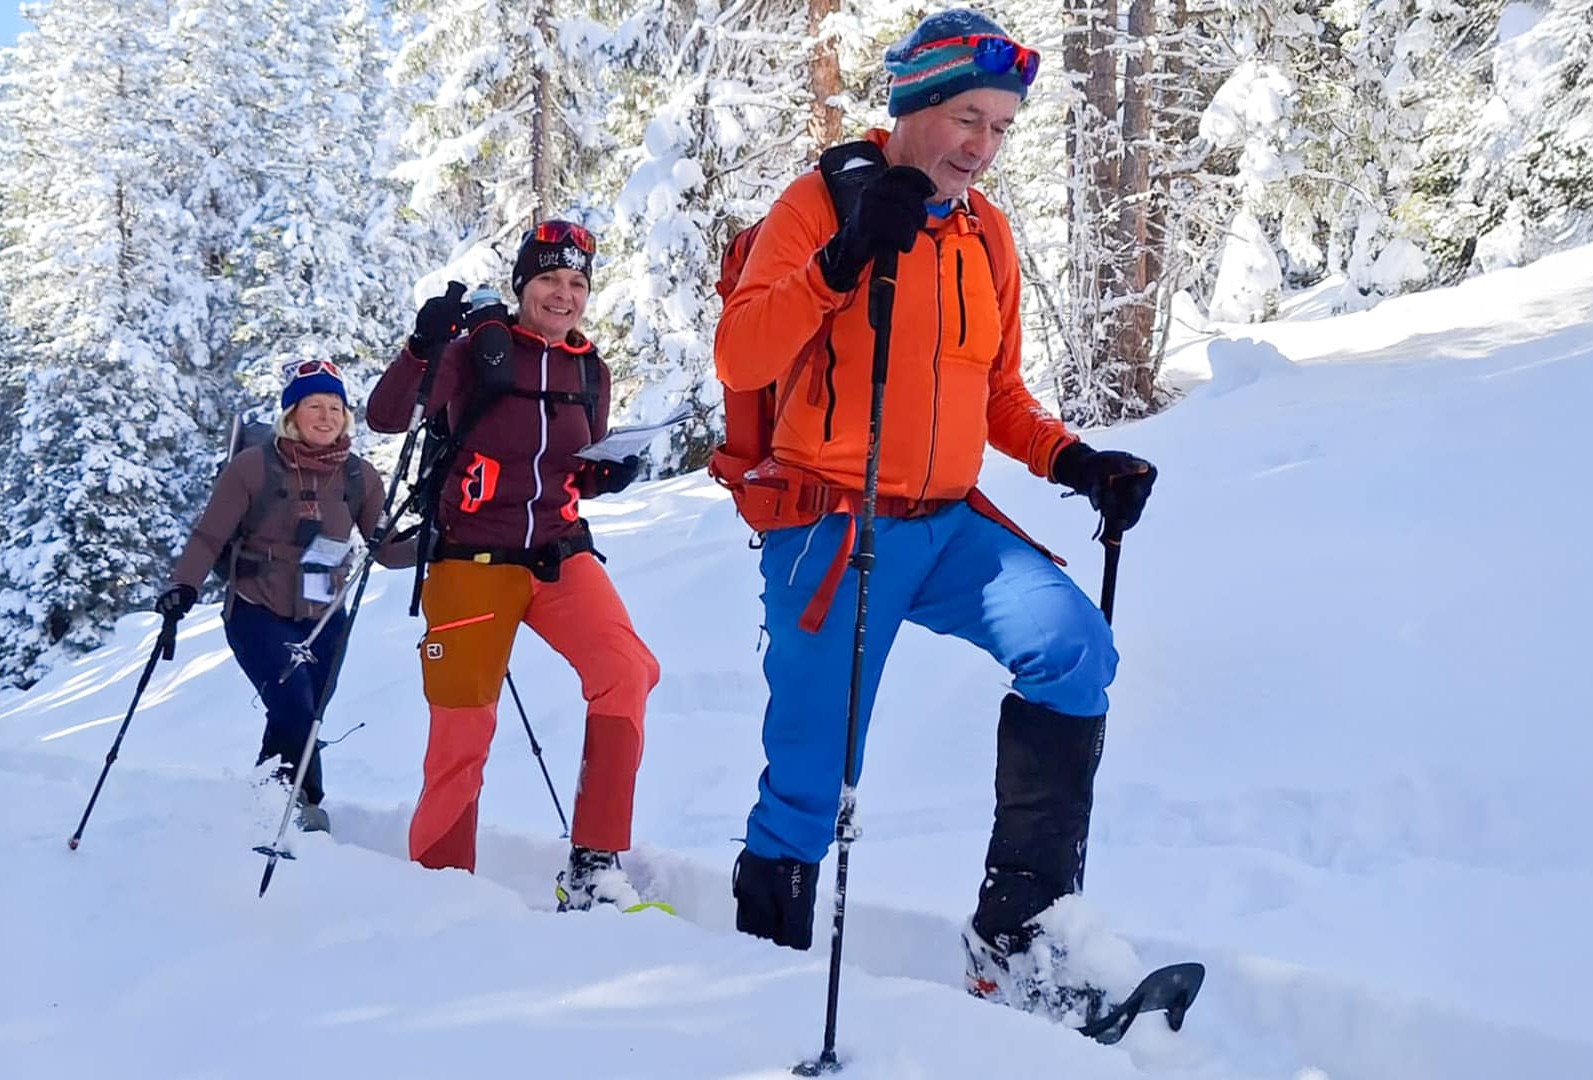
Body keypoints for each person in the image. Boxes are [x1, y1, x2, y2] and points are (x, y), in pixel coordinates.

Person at [712, 9, 1159, 1014]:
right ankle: (757, 990)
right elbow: (741, 357)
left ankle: (1018, 935)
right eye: (968, 116)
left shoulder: (983, 233)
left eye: (1001, 127)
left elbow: (993, 390)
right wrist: (839, 263)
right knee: (811, 781)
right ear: (915, 104)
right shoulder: (822, 202)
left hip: (951, 525)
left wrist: (1075, 459)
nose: (982, 146)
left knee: (1076, 649)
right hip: (831, 522)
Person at [366, 220, 661, 910]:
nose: (564, 295)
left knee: (626, 671)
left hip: (558, 555)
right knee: (462, 728)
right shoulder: (476, 352)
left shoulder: (591, 368)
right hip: (471, 557)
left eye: (577, 283)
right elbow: (386, 416)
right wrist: (421, 348)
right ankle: (441, 890)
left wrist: (606, 475)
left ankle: (594, 865)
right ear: (525, 283)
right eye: (550, 280)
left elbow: (568, 470)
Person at [158, 361, 394, 832]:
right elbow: (209, 536)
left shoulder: (358, 477)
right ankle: (303, 804)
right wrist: (182, 586)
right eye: (314, 406)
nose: (326, 417)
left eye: (335, 407)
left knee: (307, 709)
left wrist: (438, 540)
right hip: (256, 606)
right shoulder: (252, 467)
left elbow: (388, 549)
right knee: (293, 703)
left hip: (325, 615)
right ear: (292, 413)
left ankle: (269, 788)